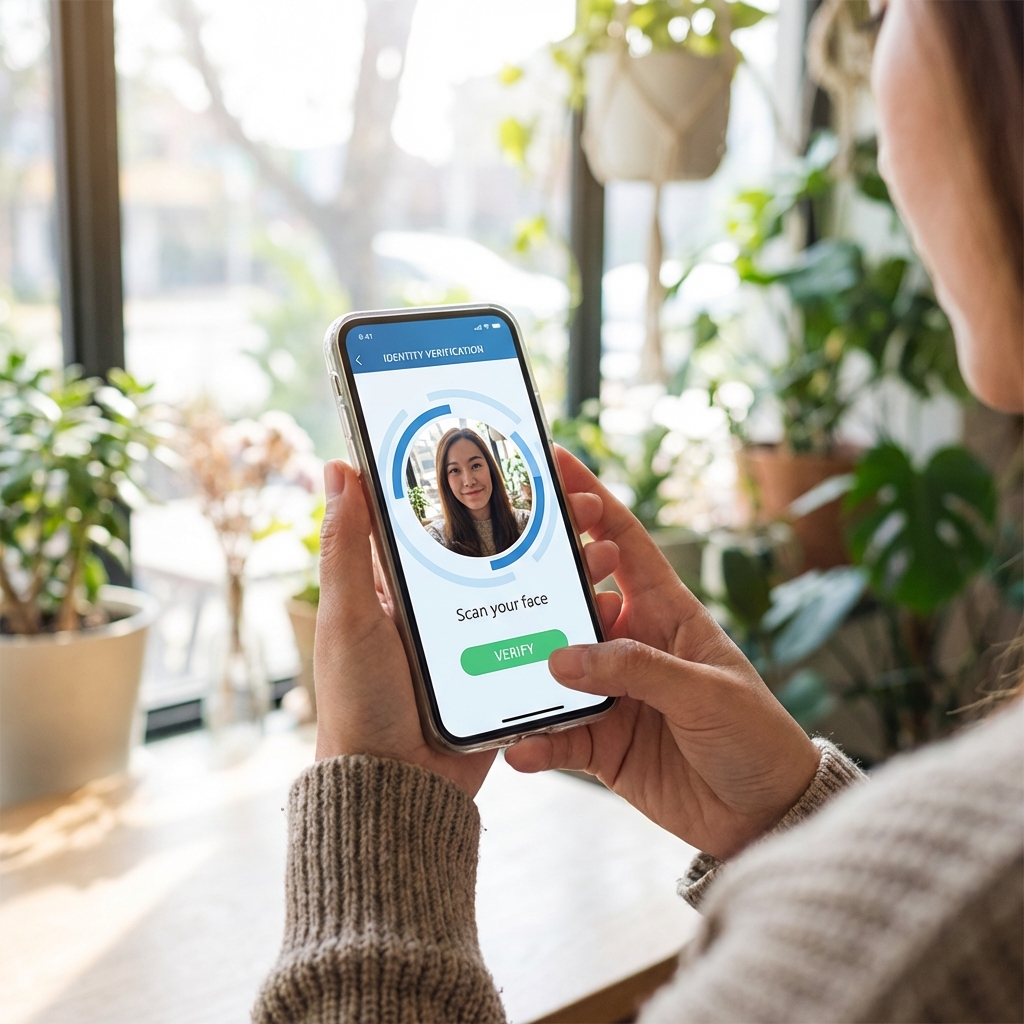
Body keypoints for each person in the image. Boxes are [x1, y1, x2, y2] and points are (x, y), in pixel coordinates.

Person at [253, 1, 1023, 1021]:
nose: (864, 39)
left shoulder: (927, 933)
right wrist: (790, 825)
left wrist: (376, 838)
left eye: (891, 4)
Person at [422, 427, 530, 557]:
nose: (469, 481)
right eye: (455, 470)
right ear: (445, 481)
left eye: (476, 466)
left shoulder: (527, 524)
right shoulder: (435, 540)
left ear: (490, 468)